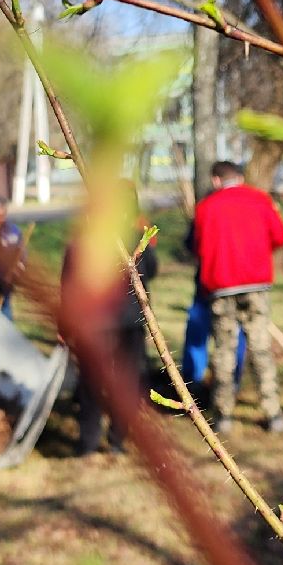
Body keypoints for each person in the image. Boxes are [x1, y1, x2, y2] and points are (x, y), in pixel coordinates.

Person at [187, 161, 283, 434]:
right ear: (240, 178)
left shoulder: (206, 208)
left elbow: (196, 247)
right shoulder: (260, 200)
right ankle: (273, 412)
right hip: (257, 286)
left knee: (224, 350)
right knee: (260, 348)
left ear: (217, 180)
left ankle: (223, 415)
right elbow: (279, 237)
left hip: (221, 288)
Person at [64, 184, 158, 457]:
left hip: (97, 324)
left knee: (93, 380)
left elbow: (68, 283)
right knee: (125, 380)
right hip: (127, 320)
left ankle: (90, 441)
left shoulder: (83, 239)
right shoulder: (134, 236)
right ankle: (116, 438)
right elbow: (151, 269)